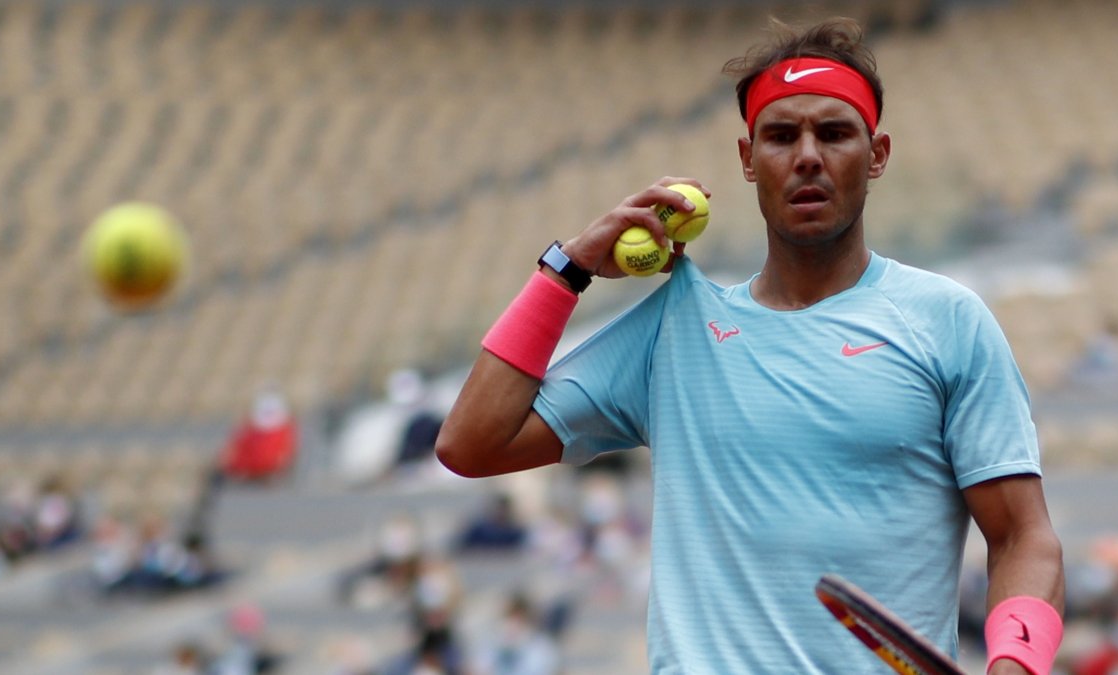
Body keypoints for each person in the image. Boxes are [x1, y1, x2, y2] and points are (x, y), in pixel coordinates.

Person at [436, 16, 1065, 674]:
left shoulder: (947, 321)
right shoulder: (674, 329)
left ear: (876, 154)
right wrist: (565, 272)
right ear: (747, 159)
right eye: (782, 135)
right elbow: (470, 442)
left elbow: (1024, 534)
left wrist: (1015, 664)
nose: (808, 155)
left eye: (834, 132)